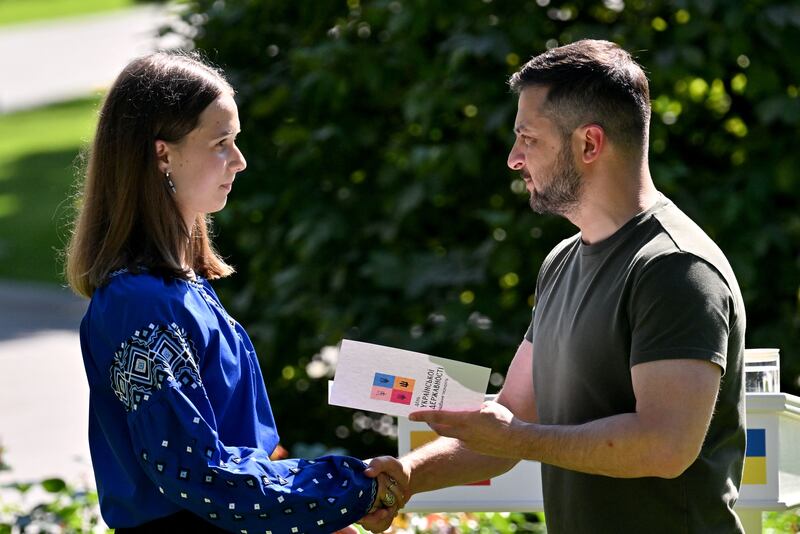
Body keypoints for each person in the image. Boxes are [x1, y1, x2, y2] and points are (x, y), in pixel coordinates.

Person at [367, 39, 747, 533]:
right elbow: (510, 417)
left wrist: (518, 438)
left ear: (589, 143)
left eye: (528, 139)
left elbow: (665, 445)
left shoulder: (675, 267)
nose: (513, 158)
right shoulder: (561, 261)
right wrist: (408, 475)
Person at [65, 51, 405, 533]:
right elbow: (198, 474)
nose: (239, 162)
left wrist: (314, 513)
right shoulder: (138, 302)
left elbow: (237, 456)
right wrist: (354, 488)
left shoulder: (180, 285)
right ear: (163, 153)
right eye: (221, 143)